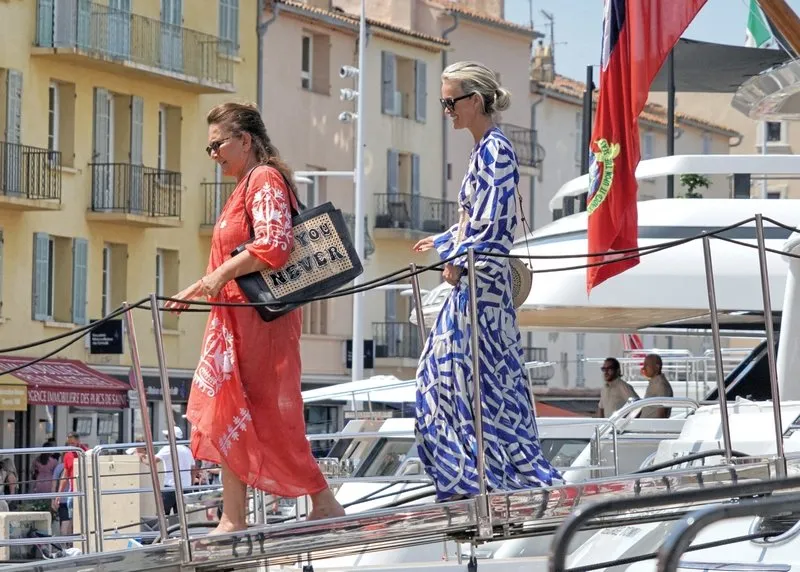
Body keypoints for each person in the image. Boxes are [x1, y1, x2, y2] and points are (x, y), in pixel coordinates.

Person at [165, 102, 344, 535]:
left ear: (245, 140)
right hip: (236, 322)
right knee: (230, 411)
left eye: (217, 146)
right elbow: (233, 258)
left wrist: (218, 277)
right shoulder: (245, 183)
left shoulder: (263, 179)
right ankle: (235, 516)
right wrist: (199, 288)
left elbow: (274, 244)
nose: (213, 157)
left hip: (260, 325)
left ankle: (320, 502)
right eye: (208, 149)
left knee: (266, 413)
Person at [412, 61, 561, 501]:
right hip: (476, 282)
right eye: (442, 102)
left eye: (450, 102)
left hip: (483, 286)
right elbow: (478, 220)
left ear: (475, 101)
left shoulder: (496, 150)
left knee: (456, 379)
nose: (446, 110)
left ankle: (483, 479)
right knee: (457, 381)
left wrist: (456, 256)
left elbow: (493, 223)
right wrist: (444, 240)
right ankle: (476, 476)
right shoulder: (484, 150)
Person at [137, 427, 197, 515]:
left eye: (166, 436)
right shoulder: (187, 450)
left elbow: (150, 462)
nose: (165, 439)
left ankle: (166, 529)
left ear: (171, 437)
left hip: (171, 487)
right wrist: (190, 484)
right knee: (180, 516)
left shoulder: (168, 448)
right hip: (185, 488)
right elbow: (193, 469)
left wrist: (141, 456)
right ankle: (179, 529)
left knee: (162, 514)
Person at [639, 353, 673, 418]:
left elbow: (662, 412)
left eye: (646, 365)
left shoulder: (661, 385)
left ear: (657, 367)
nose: (643, 368)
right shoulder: (654, 382)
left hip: (651, 426)